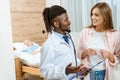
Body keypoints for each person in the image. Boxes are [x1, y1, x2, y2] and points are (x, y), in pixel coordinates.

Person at [40, 5, 87, 80]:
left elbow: (71, 62)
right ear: (56, 24)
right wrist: (65, 71)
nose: (69, 22)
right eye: (66, 20)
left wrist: (80, 71)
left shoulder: (68, 38)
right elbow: (45, 71)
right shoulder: (49, 45)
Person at [77, 2, 120, 80]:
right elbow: (78, 54)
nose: (92, 17)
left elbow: (118, 58)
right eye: (92, 14)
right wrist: (85, 53)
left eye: (96, 15)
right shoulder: (85, 32)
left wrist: (110, 56)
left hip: (105, 74)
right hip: (88, 74)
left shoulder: (115, 35)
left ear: (105, 17)